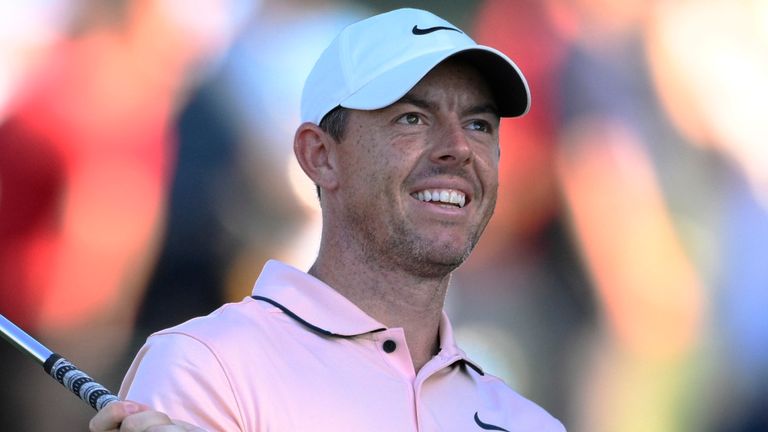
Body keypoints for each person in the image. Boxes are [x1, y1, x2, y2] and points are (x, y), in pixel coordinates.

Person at [90, 8, 566, 432]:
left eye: (479, 125)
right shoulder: (207, 369)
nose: (459, 147)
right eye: (412, 118)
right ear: (319, 156)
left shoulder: (526, 421)